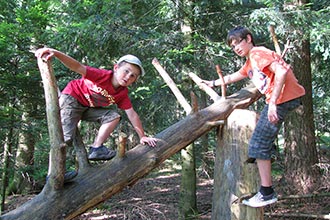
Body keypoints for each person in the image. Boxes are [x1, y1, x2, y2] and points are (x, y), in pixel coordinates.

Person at [203, 26, 305, 208]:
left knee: (257, 144)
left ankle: (267, 193)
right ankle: (268, 151)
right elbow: (236, 75)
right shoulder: (251, 61)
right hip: (283, 98)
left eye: (237, 43)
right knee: (261, 138)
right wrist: (213, 83)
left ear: (248, 38)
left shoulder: (258, 53)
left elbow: (281, 72)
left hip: (282, 99)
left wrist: (273, 103)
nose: (236, 48)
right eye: (232, 47)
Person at [35, 48, 158, 170]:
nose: (128, 77)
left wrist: (142, 136)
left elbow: (132, 114)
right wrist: (55, 53)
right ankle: (54, 174)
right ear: (116, 68)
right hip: (72, 99)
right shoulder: (102, 75)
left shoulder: (122, 93)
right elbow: (77, 66)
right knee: (64, 138)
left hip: (87, 108)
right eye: (126, 71)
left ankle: (96, 148)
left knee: (113, 116)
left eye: (133, 76)